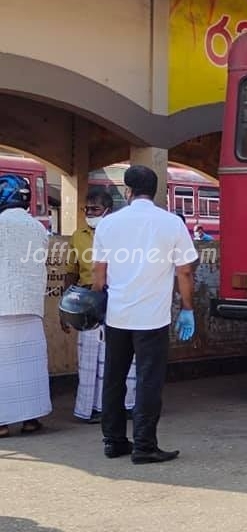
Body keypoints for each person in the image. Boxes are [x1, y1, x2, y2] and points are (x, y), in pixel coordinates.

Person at [92, 165, 198, 464]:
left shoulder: (108, 224)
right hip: (152, 317)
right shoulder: (170, 223)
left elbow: (99, 273)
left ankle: (113, 441)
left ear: (127, 191)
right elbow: (185, 270)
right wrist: (187, 308)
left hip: (117, 315)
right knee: (148, 379)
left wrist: (100, 302)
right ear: (155, 192)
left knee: (114, 378)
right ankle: (144, 445)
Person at [63, 187, 136, 423]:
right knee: (89, 358)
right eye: (87, 209)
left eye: (95, 209)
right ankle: (90, 409)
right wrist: (65, 307)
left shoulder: (121, 232)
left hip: (115, 298)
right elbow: (71, 271)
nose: (90, 213)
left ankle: (123, 406)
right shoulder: (78, 235)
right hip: (87, 302)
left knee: (117, 356)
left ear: (108, 210)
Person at [0, 174, 51, 438]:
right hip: (31, 306)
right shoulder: (38, 228)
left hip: (2, 305)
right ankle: (31, 419)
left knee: (3, 368)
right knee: (29, 367)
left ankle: (2, 423)